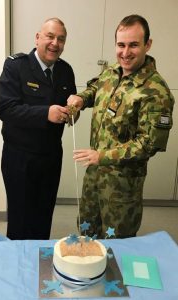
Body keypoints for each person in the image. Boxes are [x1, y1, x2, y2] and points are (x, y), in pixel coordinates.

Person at [67, 14, 174, 239]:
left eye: (133, 45)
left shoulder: (156, 91)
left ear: (148, 44)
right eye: (121, 45)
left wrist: (102, 156)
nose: (125, 53)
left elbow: (148, 144)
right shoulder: (112, 71)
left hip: (121, 189)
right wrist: (81, 98)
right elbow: (96, 88)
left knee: (118, 245)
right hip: (94, 177)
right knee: (87, 234)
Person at [0, 18, 77, 240]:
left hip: (51, 157)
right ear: (38, 37)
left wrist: (73, 113)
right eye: (50, 36)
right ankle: (18, 268)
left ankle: (40, 266)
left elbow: (68, 109)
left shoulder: (65, 70)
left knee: (43, 215)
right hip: (19, 157)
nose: (55, 43)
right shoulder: (16, 66)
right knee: (20, 219)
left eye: (61, 39)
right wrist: (45, 113)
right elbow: (6, 109)